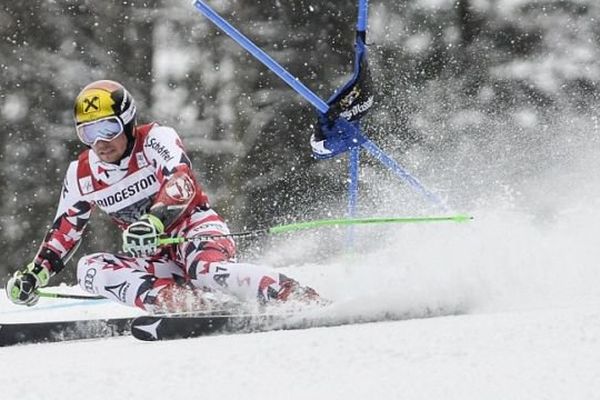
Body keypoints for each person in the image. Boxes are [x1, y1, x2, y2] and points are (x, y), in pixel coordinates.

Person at [5, 80, 320, 313]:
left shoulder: (156, 139)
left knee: (203, 271)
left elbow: (181, 180)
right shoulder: (81, 174)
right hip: (157, 260)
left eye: (108, 128)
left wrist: (155, 219)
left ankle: (294, 295)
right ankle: (180, 303)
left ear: (128, 123)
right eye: (88, 133)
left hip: (197, 233)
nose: (100, 142)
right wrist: (36, 272)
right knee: (89, 268)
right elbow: (64, 231)